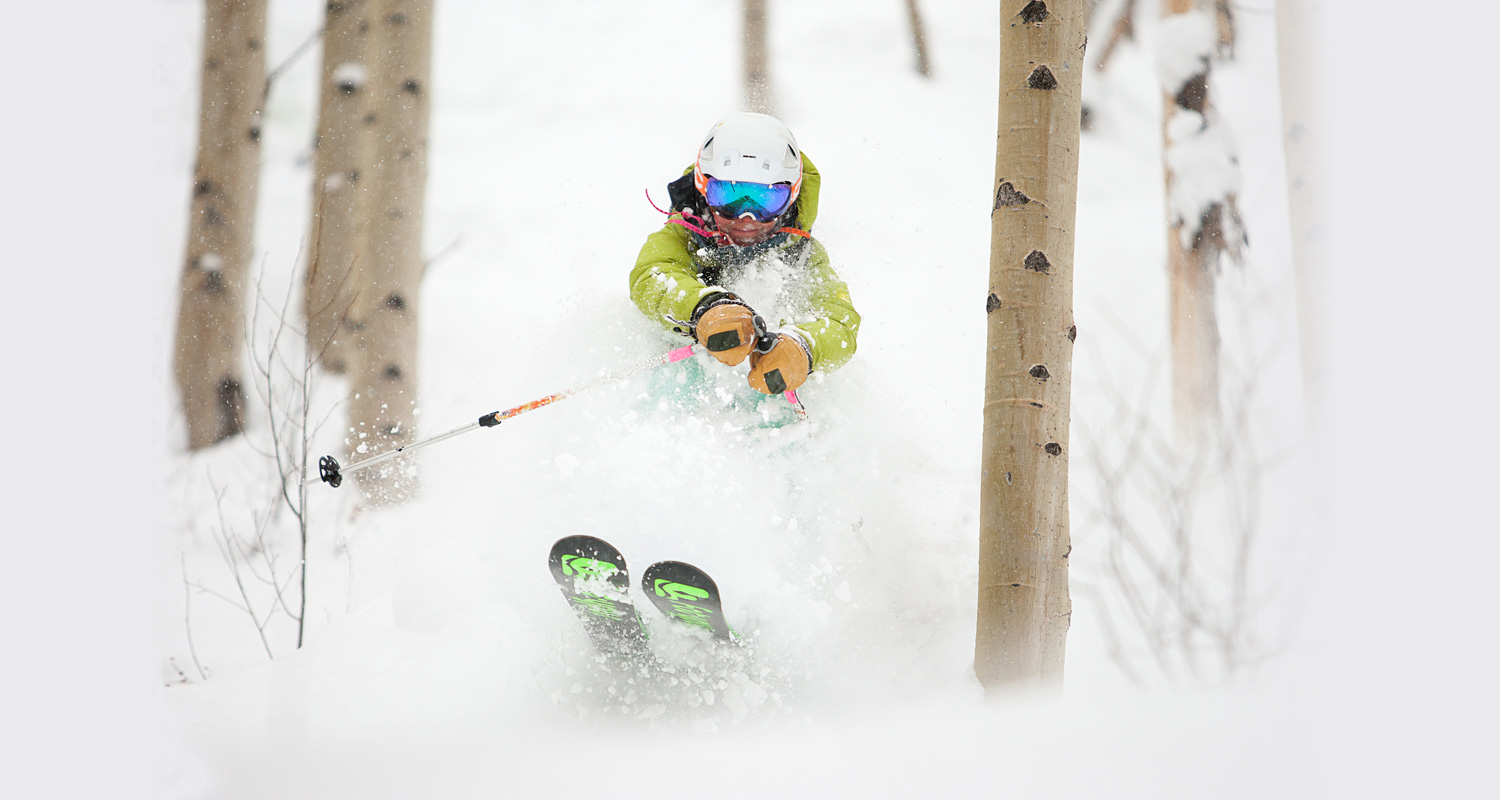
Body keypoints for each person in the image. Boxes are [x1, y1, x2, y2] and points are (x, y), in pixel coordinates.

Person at [629, 113, 860, 401]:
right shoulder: (683, 235)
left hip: (767, 402)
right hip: (677, 391)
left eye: (766, 200)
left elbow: (840, 322)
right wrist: (705, 308)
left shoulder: (801, 254)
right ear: (703, 187)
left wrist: (803, 348)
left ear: (791, 196)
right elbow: (652, 275)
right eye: (728, 195)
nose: (746, 217)